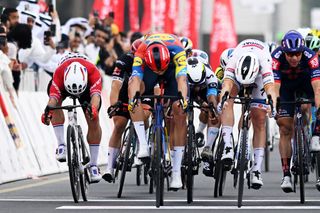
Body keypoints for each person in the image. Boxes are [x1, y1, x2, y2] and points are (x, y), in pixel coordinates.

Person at [128, 33, 188, 190]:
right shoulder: (141, 52)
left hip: (171, 69)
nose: (159, 72)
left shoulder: (178, 50)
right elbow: (135, 79)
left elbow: (181, 80)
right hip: (149, 70)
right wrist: (134, 99)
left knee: (179, 110)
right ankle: (142, 145)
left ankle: (176, 173)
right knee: (133, 95)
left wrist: (182, 99)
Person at [219, 39, 276, 189]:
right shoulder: (235, 58)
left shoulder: (265, 61)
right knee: (227, 101)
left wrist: (272, 104)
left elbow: (271, 88)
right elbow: (226, 84)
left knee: (259, 118)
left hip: (258, 78)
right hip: (237, 75)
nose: (246, 87)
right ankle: (228, 146)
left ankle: (256, 170)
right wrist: (223, 98)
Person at [41, 52, 103, 183]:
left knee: (93, 119)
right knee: (54, 105)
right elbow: (53, 99)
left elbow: (96, 97)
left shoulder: (93, 72)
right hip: (63, 84)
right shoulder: (59, 73)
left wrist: (93, 110)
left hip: (87, 89)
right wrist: (47, 113)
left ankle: (93, 165)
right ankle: (61, 145)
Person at [272, 30, 320, 192]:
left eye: (297, 54)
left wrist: (318, 111)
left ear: (302, 51)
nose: (294, 58)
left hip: (307, 85)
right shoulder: (276, 56)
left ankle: (315, 134)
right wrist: (275, 104)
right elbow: (275, 86)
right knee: (285, 128)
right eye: (290, 55)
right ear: (284, 52)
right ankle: (286, 175)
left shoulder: (311, 56)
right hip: (286, 88)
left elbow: (317, 88)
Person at [102, 32, 145, 183]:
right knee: (119, 124)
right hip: (125, 92)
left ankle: (143, 148)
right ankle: (109, 168)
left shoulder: (152, 61)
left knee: (145, 118)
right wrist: (114, 105)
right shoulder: (124, 60)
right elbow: (115, 86)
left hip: (146, 91)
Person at [186, 56, 219, 177]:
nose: (197, 87)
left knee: (213, 110)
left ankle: (208, 149)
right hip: (186, 89)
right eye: (195, 85)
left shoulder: (210, 75)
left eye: (199, 84)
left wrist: (211, 108)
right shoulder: (181, 74)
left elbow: (212, 96)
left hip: (206, 92)